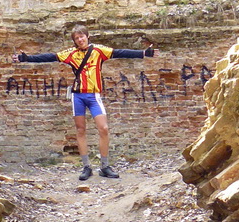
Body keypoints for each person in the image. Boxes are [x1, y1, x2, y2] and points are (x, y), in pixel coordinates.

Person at [12, 24, 156, 180]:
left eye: (82, 36)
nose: (80, 40)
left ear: (87, 37)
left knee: (104, 128)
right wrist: (26, 58)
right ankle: (86, 167)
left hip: (93, 95)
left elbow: (119, 52)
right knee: (80, 130)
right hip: (78, 96)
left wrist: (143, 53)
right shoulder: (71, 54)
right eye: (77, 38)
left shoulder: (98, 51)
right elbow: (50, 57)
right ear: (74, 41)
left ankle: (105, 166)